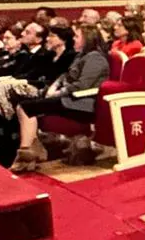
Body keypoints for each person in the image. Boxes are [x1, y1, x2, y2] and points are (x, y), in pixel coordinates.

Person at [9, 25, 110, 171]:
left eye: (77, 36)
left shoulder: (96, 58)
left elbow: (82, 85)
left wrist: (58, 92)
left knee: (25, 108)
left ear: (87, 38)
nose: (73, 39)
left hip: (80, 103)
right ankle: (32, 151)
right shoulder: (82, 55)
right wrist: (54, 87)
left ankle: (27, 153)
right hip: (69, 98)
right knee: (22, 105)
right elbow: (65, 76)